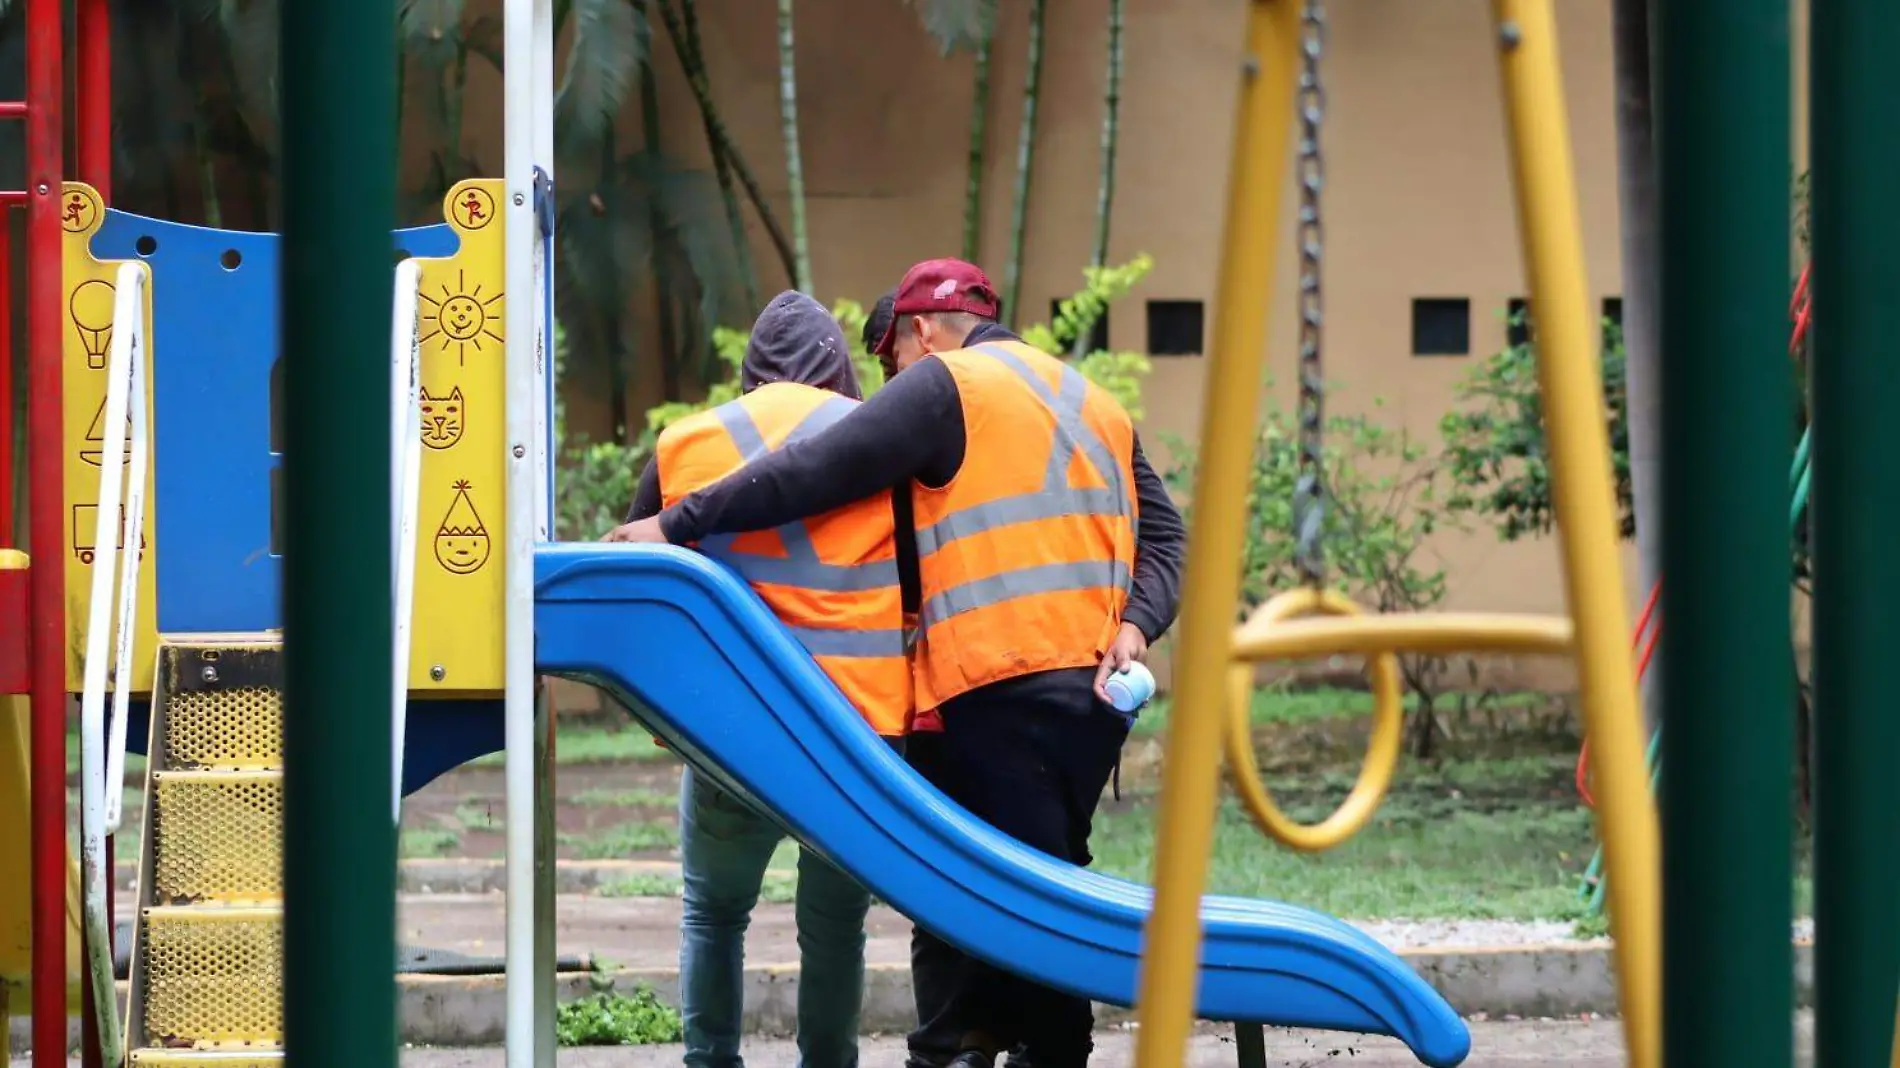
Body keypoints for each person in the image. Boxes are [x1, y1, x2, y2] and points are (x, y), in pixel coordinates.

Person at [609, 259, 1187, 1068]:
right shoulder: (1089, 398)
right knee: (1037, 870)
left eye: (889, 366)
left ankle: (981, 1046)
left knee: (972, 889)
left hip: (987, 681)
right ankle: (986, 1040)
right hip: (1091, 694)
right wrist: (1139, 624)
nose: (887, 389)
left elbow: (814, 470)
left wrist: (678, 523)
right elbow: (1166, 535)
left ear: (920, 332)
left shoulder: (946, 384)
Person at [620, 290, 910, 1068]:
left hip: (730, 732)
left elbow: (636, 581)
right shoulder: (883, 440)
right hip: (856, 732)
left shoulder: (684, 445)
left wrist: (663, 717)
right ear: (840, 367)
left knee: (714, 914)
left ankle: (709, 1061)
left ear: (750, 370)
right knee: (836, 925)